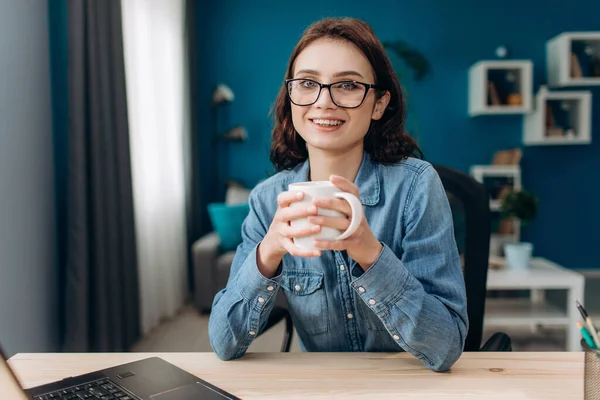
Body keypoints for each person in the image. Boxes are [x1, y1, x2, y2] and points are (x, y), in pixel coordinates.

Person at [208, 17, 468, 372]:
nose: (323, 102)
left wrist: (369, 253)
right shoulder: (268, 200)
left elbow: (447, 345)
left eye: (347, 85)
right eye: (307, 83)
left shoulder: (416, 187)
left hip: (410, 388)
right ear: (292, 96)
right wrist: (267, 253)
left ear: (378, 103)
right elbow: (223, 343)